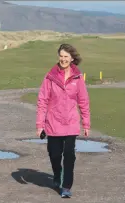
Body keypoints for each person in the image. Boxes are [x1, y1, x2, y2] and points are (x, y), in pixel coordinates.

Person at [36, 44, 90, 198]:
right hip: (53, 123)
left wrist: (86, 123)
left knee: (69, 155)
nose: (63, 59)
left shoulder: (78, 78)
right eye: (61, 56)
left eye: (66, 56)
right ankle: (57, 173)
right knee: (54, 154)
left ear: (72, 58)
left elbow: (84, 101)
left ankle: (66, 186)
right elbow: (42, 101)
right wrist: (40, 125)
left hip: (71, 123)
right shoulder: (50, 77)